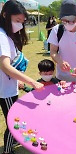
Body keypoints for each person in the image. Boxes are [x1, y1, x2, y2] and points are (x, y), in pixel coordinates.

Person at [0, 1, 44, 154]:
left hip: (9, 86)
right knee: (13, 122)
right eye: (17, 21)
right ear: (5, 15)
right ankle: (7, 151)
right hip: (4, 90)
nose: (20, 25)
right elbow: (5, 66)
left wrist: (18, 80)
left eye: (22, 22)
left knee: (13, 120)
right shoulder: (1, 36)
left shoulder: (6, 35)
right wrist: (31, 81)